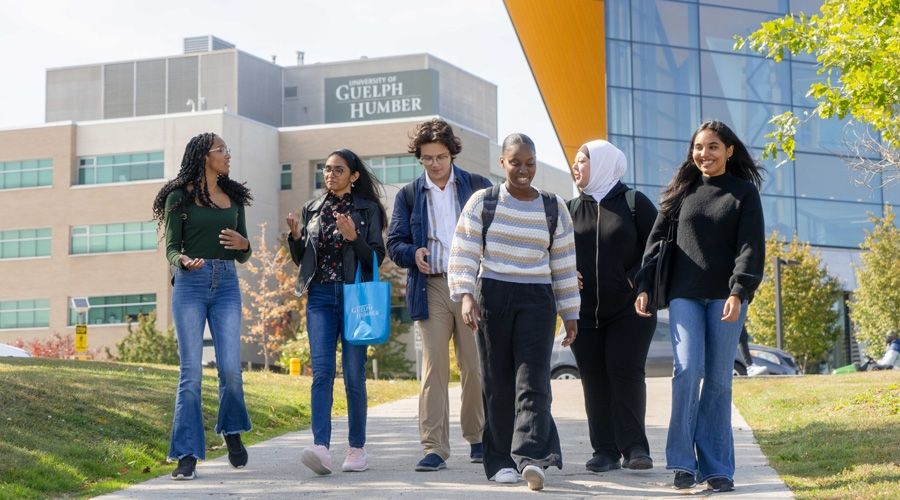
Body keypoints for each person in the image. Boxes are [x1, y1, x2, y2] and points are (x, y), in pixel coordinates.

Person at [634, 120, 765, 493]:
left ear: (729, 151)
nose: (704, 154)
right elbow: (656, 242)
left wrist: (739, 292)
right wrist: (644, 285)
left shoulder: (743, 194)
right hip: (684, 294)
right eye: (698, 147)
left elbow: (750, 247)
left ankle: (717, 466)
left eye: (712, 147)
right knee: (688, 369)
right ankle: (682, 464)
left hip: (726, 297)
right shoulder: (681, 192)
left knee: (720, 381)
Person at [448, 133, 580, 491]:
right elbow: (463, 251)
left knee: (534, 380)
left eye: (529, 162)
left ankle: (531, 457)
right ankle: (499, 460)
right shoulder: (483, 202)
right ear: (502, 163)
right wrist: (465, 295)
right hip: (493, 294)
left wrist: (570, 312)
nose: (523, 169)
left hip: (538, 299)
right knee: (497, 382)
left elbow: (564, 264)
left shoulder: (554, 207)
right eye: (515, 162)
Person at [387, 118, 490, 472]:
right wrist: (411, 253)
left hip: (470, 288)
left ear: (452, 154)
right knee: (434, 370)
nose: (434, 164)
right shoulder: (409, 194)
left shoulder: (477, 187)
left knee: (474, 366)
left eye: (441, 157)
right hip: (430, 287)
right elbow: (394, 243)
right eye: (428, 158)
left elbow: (497, 230)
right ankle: (434, 447)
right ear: (420, 158)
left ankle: (478, 437)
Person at [152, 132, 254, 480]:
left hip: (226, 282)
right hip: (190, 285)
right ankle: (187, 453)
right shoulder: (179, 198)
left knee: (230, 369)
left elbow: (243, 252)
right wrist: (181, 259)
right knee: (191, 373)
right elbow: (171, 248)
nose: (228, 154)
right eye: (221, 150)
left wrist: (244, 243)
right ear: (203, 156)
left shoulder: (234, 198)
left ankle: (232, 430)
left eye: (227, 148)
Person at [286, 148, 386, 476]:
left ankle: (357, 449)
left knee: (354, 374)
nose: (330, 175)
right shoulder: (313, 208)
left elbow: (376, 258)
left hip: (355, 298)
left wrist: (354, 237)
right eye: (327, 169)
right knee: (322, 373)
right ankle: (320, 448)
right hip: (319, 296)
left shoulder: (368, 209)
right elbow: (304, 260)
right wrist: (296, 237)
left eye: (338, 170)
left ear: (354, 176)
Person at [566, 139, 658, 472]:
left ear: (603, 163)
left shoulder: (635, 203)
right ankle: (604, 450)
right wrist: (565, 272)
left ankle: (635, 448)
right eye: (575, 162)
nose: (576, 167)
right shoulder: (570, 209)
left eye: (582, 161)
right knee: (593, 377)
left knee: (624, 371)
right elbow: (554, 252)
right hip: (584, 312)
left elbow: (658, 248)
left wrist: (635, 279)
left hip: (630, 309)